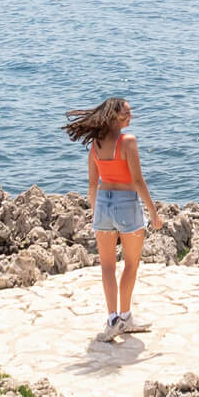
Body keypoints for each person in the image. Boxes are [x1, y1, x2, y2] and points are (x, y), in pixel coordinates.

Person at [63, 96, 165, 343]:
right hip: (127, 203)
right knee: (130, 264)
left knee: (107, 267)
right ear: (113, 116)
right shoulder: (127, 142)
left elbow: (92, 183)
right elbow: (138, 180)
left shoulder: (96, 144)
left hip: (103, 205)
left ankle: (112, 321)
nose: (130, 117)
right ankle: (126, 317)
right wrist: (153, 212)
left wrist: (96, 211)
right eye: (126, 113)